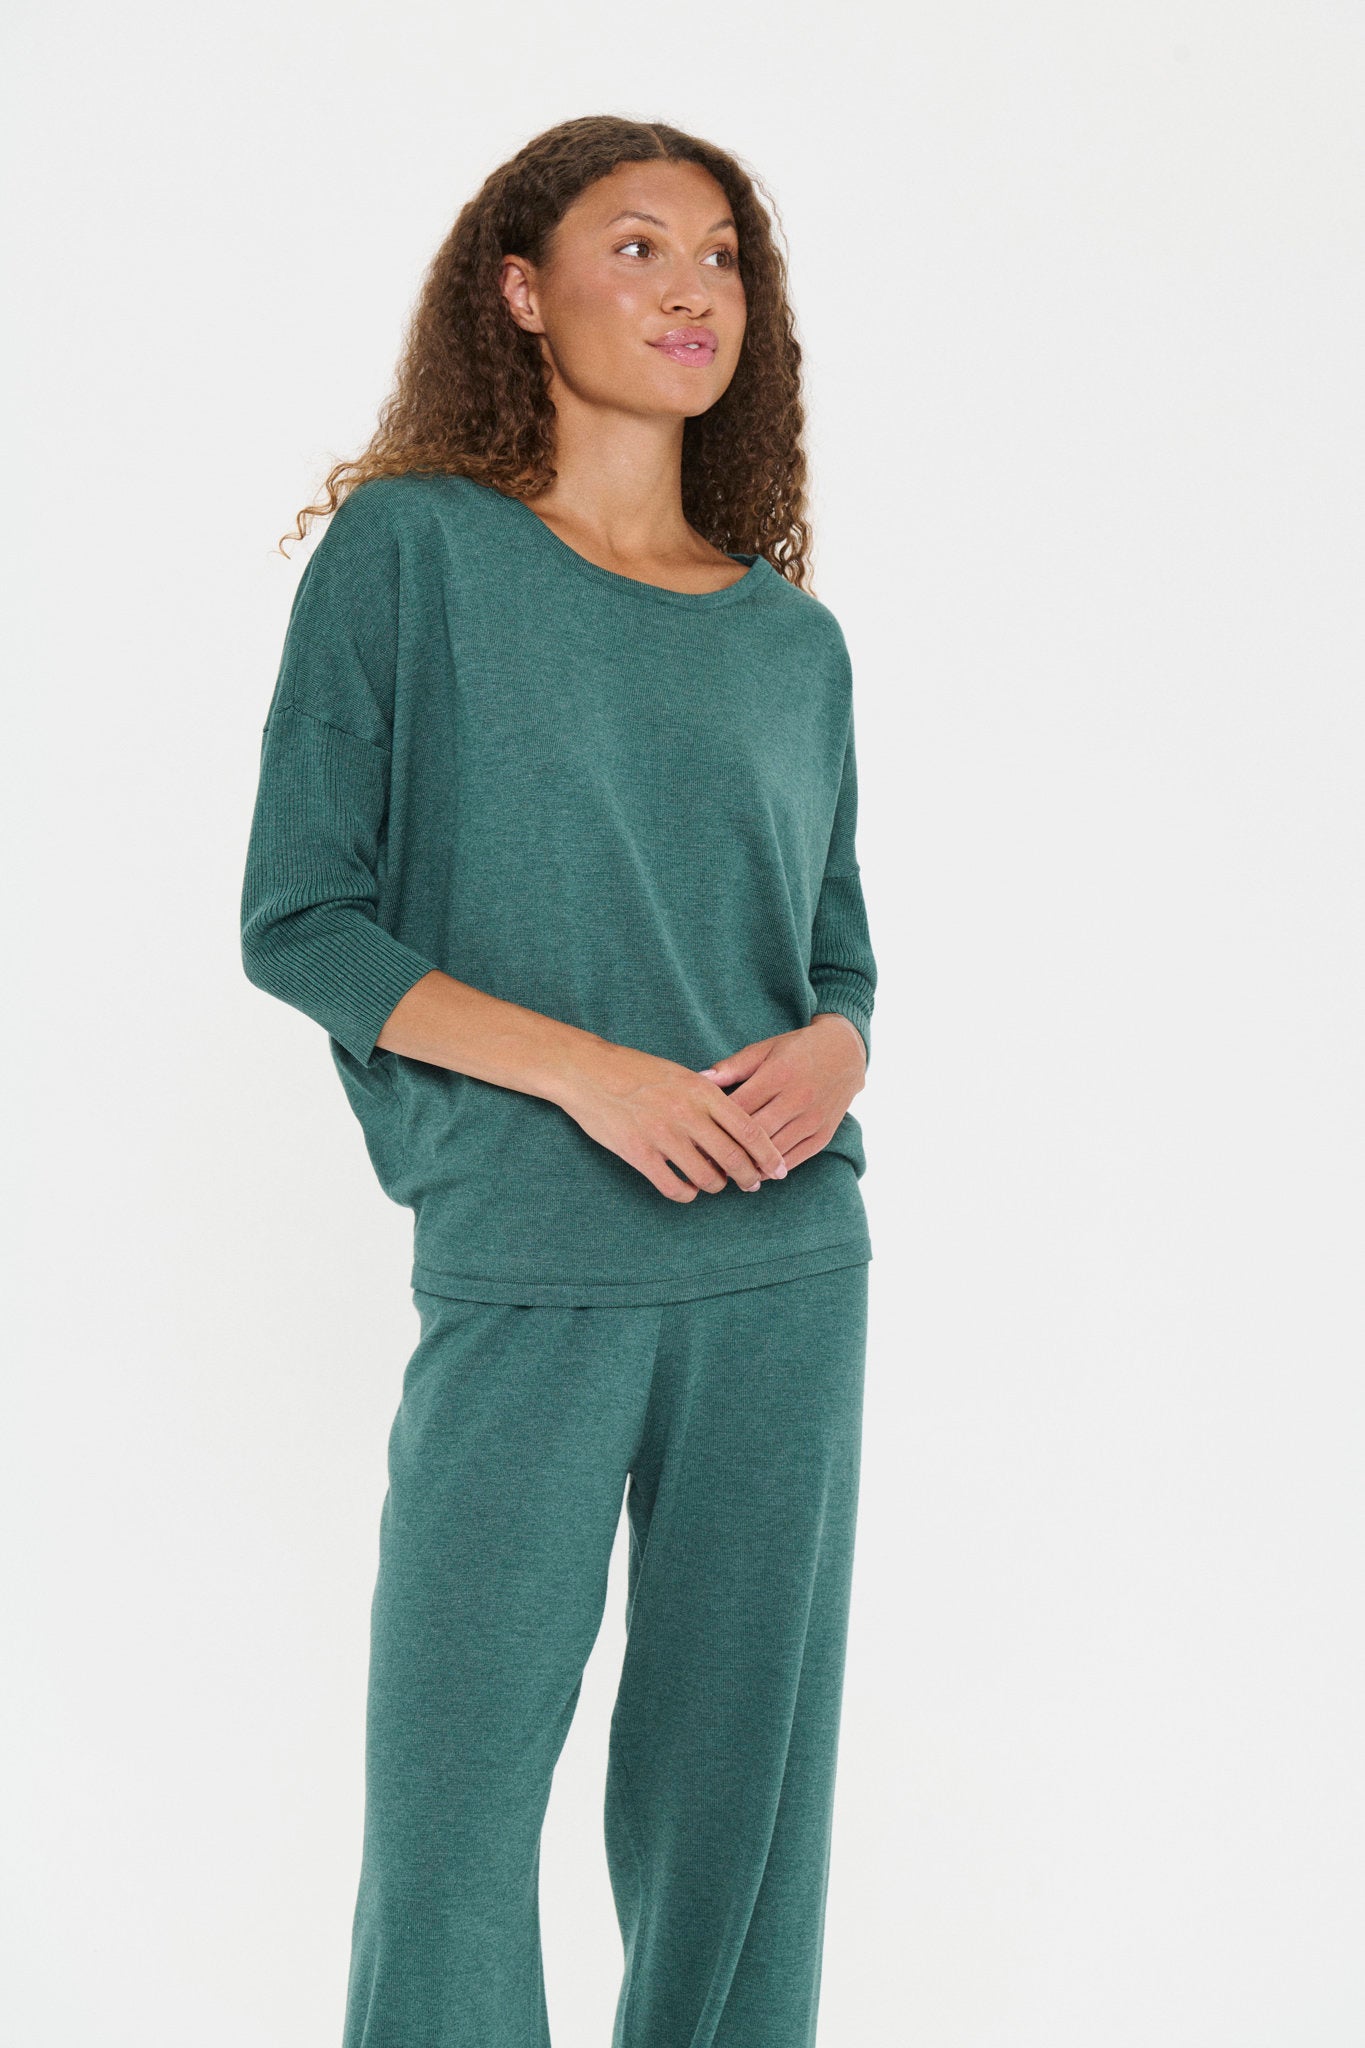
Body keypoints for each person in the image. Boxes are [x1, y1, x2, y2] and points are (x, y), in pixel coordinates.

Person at [239, 112, 878, 2048]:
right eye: (637, 245)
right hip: (529, 1250)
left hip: (784, 1268)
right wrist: (593, 1077)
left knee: (740, 1815)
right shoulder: (412, 552)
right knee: (450, 1808)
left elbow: (833, 949)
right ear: (520, 292)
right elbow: (302, 920)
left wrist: (840, 1042)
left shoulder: (791, 637)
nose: (692, 289)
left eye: (721, 255)